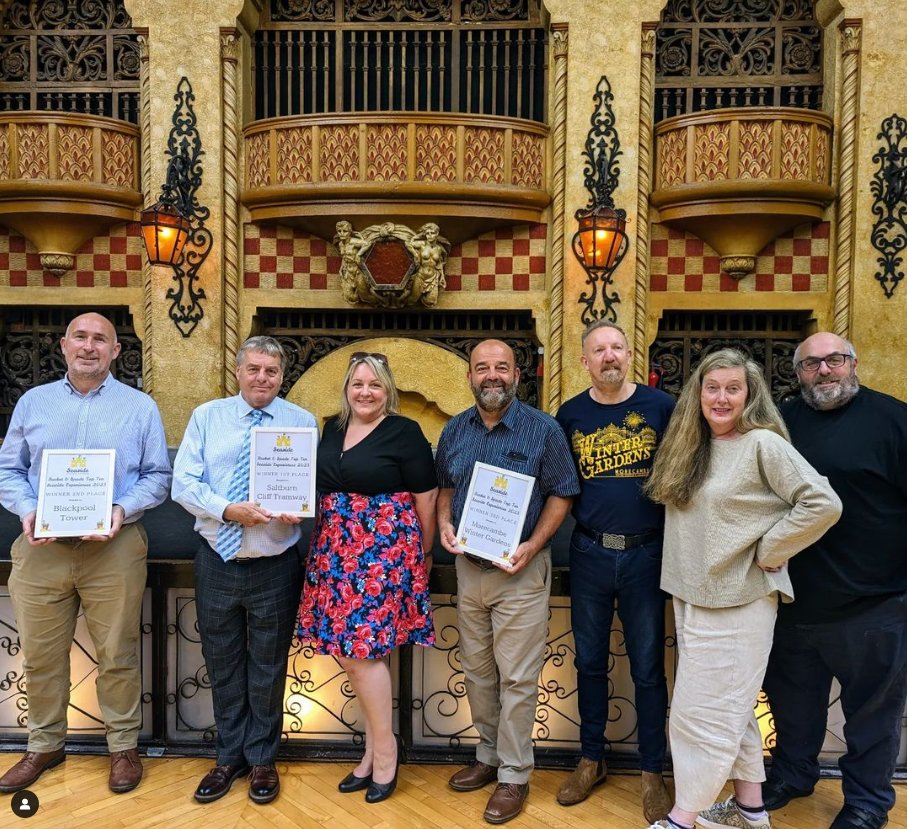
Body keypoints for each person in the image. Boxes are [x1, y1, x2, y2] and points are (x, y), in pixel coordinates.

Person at [643, 348, 841, 829]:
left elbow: (823, 502)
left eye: (733, 388)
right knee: (731, 709)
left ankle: (682, 818)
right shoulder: (691, 443)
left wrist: (772, 548)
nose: (721, 397)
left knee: (701, 715)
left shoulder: (762, 444)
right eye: (712, 388)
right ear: (698, 394)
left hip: (740, 599)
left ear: (750, 395)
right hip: (693, 597)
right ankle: (751, 810)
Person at [0, 312, 170, 795]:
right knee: (39, 654)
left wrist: (121, 508)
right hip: (41, 548)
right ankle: (44, 745)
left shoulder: (140, 407)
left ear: (117, 352)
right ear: (64, 345)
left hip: (113, 547)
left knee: (117, 653)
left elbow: (158, 476)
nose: (90, 346)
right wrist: (29, 509)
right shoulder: (34, 402)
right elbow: (8, 469)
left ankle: (122, 747)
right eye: (81, 337)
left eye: (101, 339)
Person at [762, 332, 907, 829]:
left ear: (854, 363)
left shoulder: (894, 420)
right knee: (792, 707)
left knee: (871, 715)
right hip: (794, 600)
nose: (824, 371)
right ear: (797, 373)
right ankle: (792, 775)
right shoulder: (781, 424)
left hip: (874, 602)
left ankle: (867, 804)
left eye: (835, 360)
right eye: (811, 364)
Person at [435, 339, 580, 825]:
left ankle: (515, 776)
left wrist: (534, 546)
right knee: (477, 672)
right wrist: (443, 525)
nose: (491, 375)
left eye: (501, 367)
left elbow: (562, 495)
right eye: (482, 368)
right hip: (469, 569)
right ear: (470, 377)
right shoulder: (455, 429)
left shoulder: (544, 430)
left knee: (517, 678)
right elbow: (447, 489)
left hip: (519, 572)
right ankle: (490, 756)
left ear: (517, 374)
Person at [172, 336, 316, 805]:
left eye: (271, 372)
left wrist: (299, 507)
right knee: (223, 661)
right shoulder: (207, 417)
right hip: (217, 558)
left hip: (276, 563)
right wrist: (228, 510)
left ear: (282, 376)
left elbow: (307, 484)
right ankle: (227, 756)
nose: (262, 378)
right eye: (254, 369)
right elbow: (183, 483)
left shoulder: (302, 422)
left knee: (269, 666)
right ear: (238, 371)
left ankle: (261, 759)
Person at [297, 351, 437, 803]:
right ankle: (372, 748)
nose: (365, 392)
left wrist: (425, 554)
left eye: (374, 384)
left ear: (388, 389)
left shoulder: (404, 431)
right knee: (355, 652)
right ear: (346, 387)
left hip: (382, 552)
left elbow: (427, 497)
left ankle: (385, 754)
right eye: (358, 383)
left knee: (361, 653)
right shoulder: (332, 428)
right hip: (335, 549)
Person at [554, 320, 675, 822]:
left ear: (631, 356)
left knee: (648, 667)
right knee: (588, 662)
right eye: (598, 350)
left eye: (617, 348)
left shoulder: (662, 408)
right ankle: (591, 759)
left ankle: (653, 771)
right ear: (584, 361)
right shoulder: (570, 414)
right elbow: (557, 484)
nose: (608, 356)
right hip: (590, 554)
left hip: (648, 554)